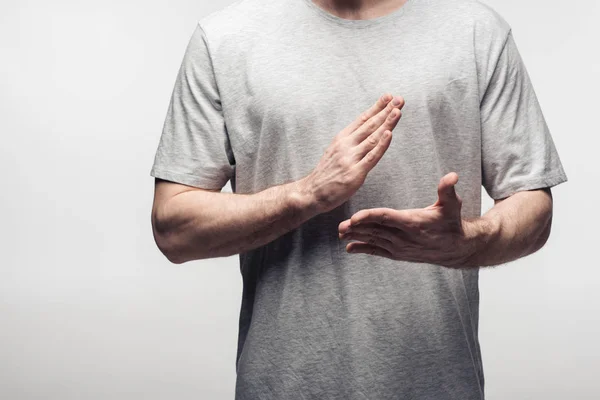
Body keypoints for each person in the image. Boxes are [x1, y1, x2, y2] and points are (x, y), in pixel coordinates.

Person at [149, 0, 568, 398]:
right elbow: (174, 227)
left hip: (438, 386)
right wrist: (304, 195)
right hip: (282, 387)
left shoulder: (477, 32)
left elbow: (533, 205)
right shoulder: (225, 38)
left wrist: (469, 242)